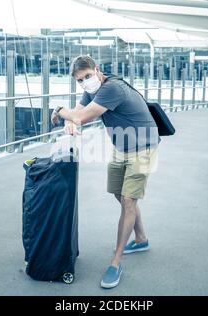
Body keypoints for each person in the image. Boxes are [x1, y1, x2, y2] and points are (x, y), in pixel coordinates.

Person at [51, 55, 160, 289]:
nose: (85, 82)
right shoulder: (92, 91)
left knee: (129, 201)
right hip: (122, 146)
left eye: (88, 76)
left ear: (97, 70)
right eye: (80, 80)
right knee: (119, 195)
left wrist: (60, 110)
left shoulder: (112, 88)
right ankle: (140, 239)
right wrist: (70, 121)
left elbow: (78, 115)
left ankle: (116, 262)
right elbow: (78, 114)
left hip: (143, 147)